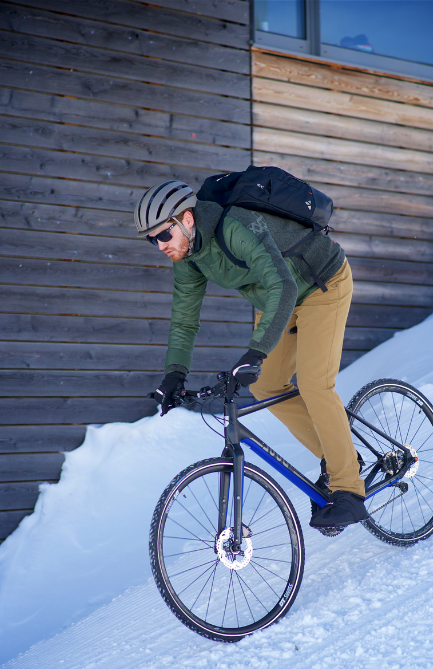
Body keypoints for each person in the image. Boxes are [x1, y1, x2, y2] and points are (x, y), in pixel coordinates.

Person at [135, 179, 370, 531]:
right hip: (277, 299)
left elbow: (283, 284)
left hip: (320, 284)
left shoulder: (235, 227)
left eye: (163, 235)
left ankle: (349, 487)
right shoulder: (189, 257)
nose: (160, 245)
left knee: (314, 383)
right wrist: (175, 374)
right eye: (151, 240)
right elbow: (184, 320)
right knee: (267, 386)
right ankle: (340, 457)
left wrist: (255, 353)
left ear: (187, 219)